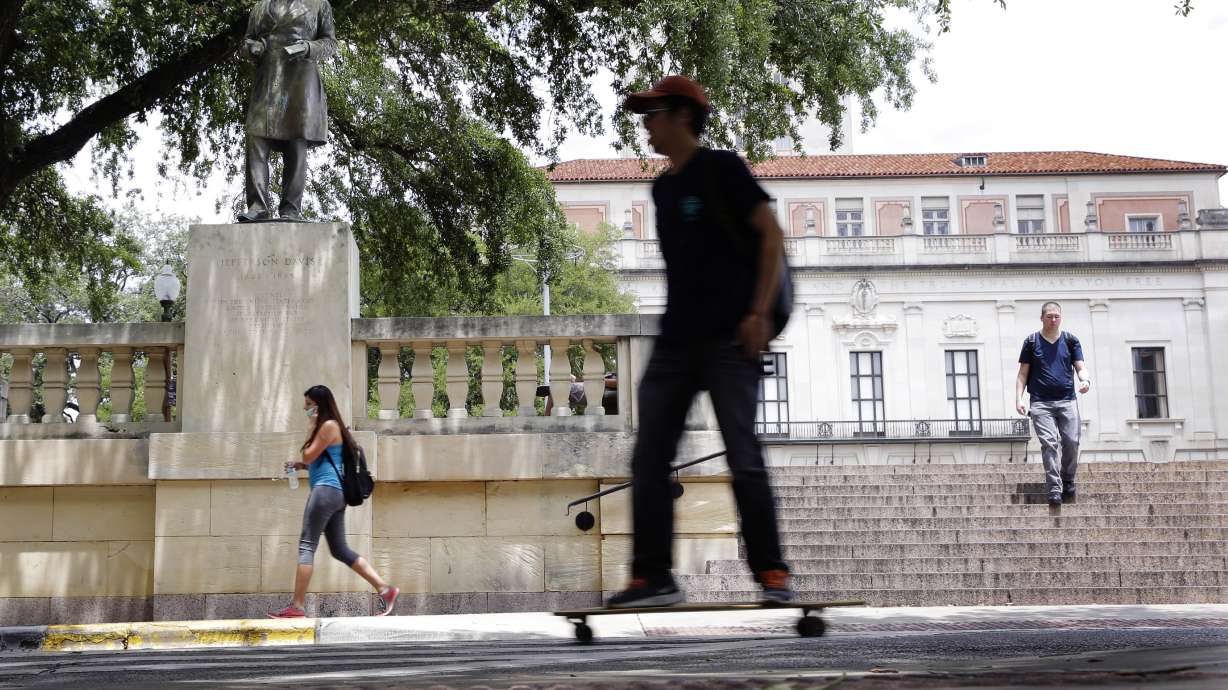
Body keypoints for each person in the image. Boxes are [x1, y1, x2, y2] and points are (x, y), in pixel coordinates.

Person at [606, 76, 792, 608]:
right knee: (649, 458)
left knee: (743, 455)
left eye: (654, 113)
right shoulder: (662, 189)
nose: (646, 125)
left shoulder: (723, 170)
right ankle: (653, 576)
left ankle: (772, 572)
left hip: (731, 339)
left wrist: (758, 314)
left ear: (683, 115)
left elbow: (772, 236)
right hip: (676, 342)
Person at [268, 385, 399, 618]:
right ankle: (385, 589)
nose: (305, 409)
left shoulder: (328, 426)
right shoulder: (332, 427)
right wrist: (302, 466)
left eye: (308, 404)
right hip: (335, 493)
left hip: (325, 492)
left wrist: (310, 430)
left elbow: (309, 453)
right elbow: (319, 459)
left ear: (320, 405)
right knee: (340, 550)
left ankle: (297, 607)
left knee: (307, 545)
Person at [237, 0, 337, 222]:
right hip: (268, 78)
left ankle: (291, 209)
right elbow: (246, 42)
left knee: (296, 140)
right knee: (256, 138)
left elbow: (330, 43)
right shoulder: (260, 6)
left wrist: (309, 47)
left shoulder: (319, 4)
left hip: (300, 80)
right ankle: (257, 207)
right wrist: (252, 48)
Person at [1015, 302, 1092, 507]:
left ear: (1061, 317)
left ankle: (1068, 478)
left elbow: (1080, 367)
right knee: (1049, 444)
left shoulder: (1070, 340)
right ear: (1042, 318)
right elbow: (1023, 373)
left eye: (1056, 316)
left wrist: (1085, 380)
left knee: (1071, 442)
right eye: (1049, 316)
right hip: (1040, 403)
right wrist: (1019, 399)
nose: (1053, 320)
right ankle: (1054, 488)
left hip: (1067, 400)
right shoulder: (1031, 342)